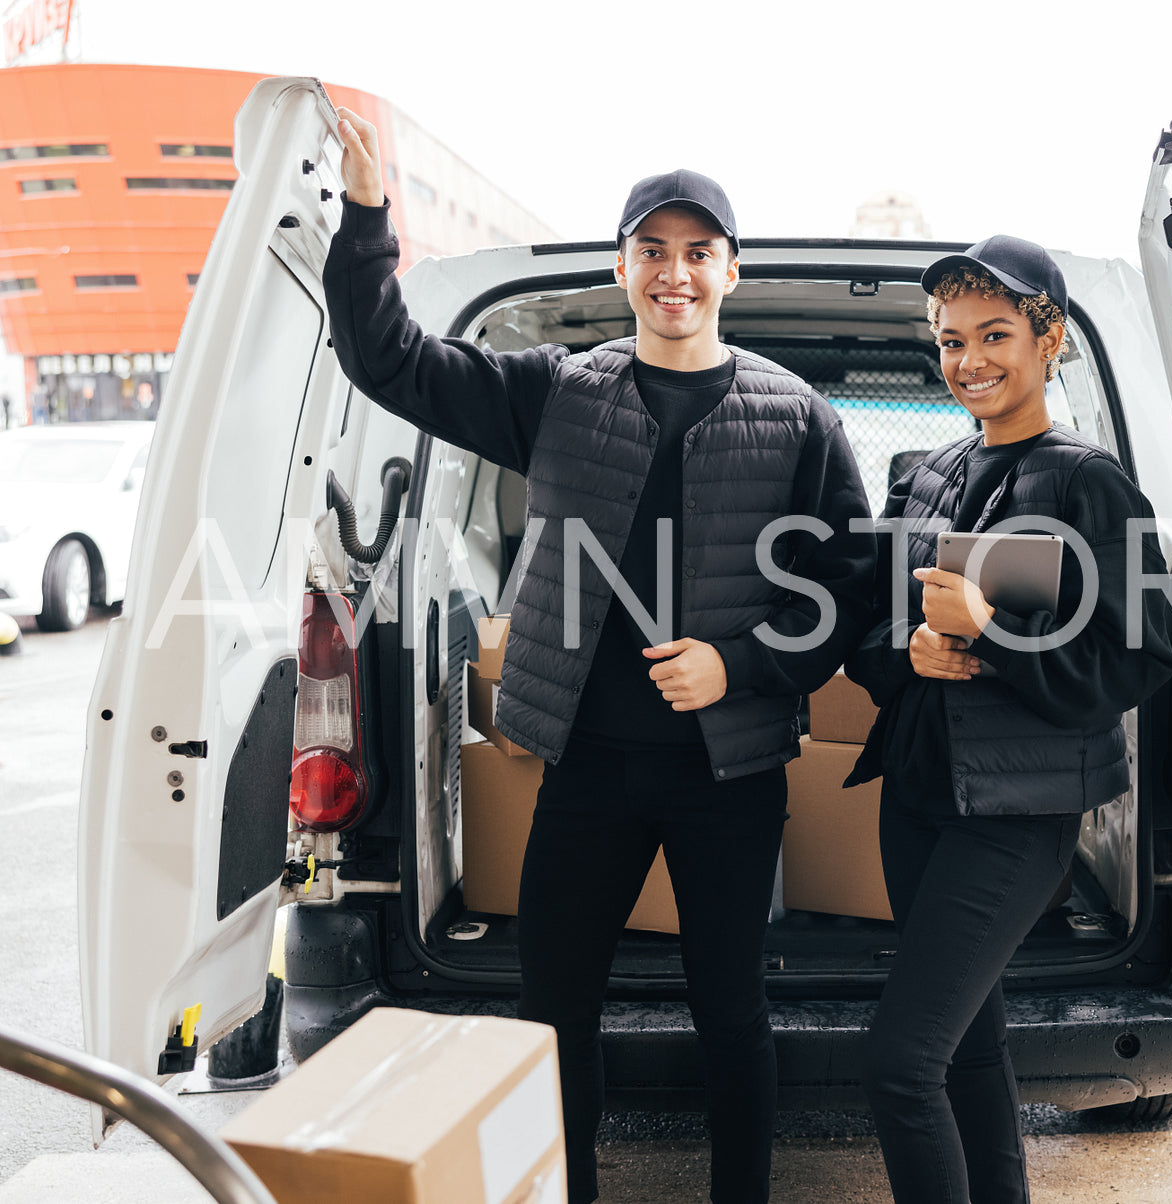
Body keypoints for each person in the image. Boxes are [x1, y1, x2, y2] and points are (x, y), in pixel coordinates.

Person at [323, 110, 875, 1204]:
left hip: (729, 775)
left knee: (730, 1013)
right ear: (624, 265)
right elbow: (386, 358)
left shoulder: (797, 417)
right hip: (584, 773)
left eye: (697, 251)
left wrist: (742, 665)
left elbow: (849, 589)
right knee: (555, 1012)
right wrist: (368, 215)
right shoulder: (556, 390)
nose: (675, 273)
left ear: (730, 269)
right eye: (653, 250)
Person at [844, 236, 1172, 1204]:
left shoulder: (1090, 484)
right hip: (915, 794)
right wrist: (903, 652)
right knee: (965, 1048)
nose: (968, 360)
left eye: (993, 334)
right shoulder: (925, 473)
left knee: (898, 1062)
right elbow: (870, 631)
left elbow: (1140, 657)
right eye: (949, 340)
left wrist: (991, 631)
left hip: (1017, 812)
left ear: (1049, 339)